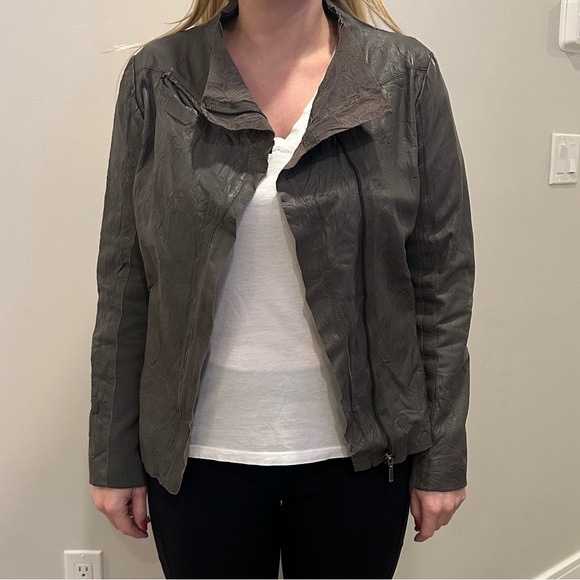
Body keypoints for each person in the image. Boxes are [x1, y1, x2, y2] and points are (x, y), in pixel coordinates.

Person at [89, 0, 475, 577]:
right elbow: (125, 278)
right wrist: (112, 455)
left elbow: (440, 281)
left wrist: (442, 455)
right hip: (197, 455)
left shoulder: (405, 73)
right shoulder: (159, 75)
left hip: (366, 454)